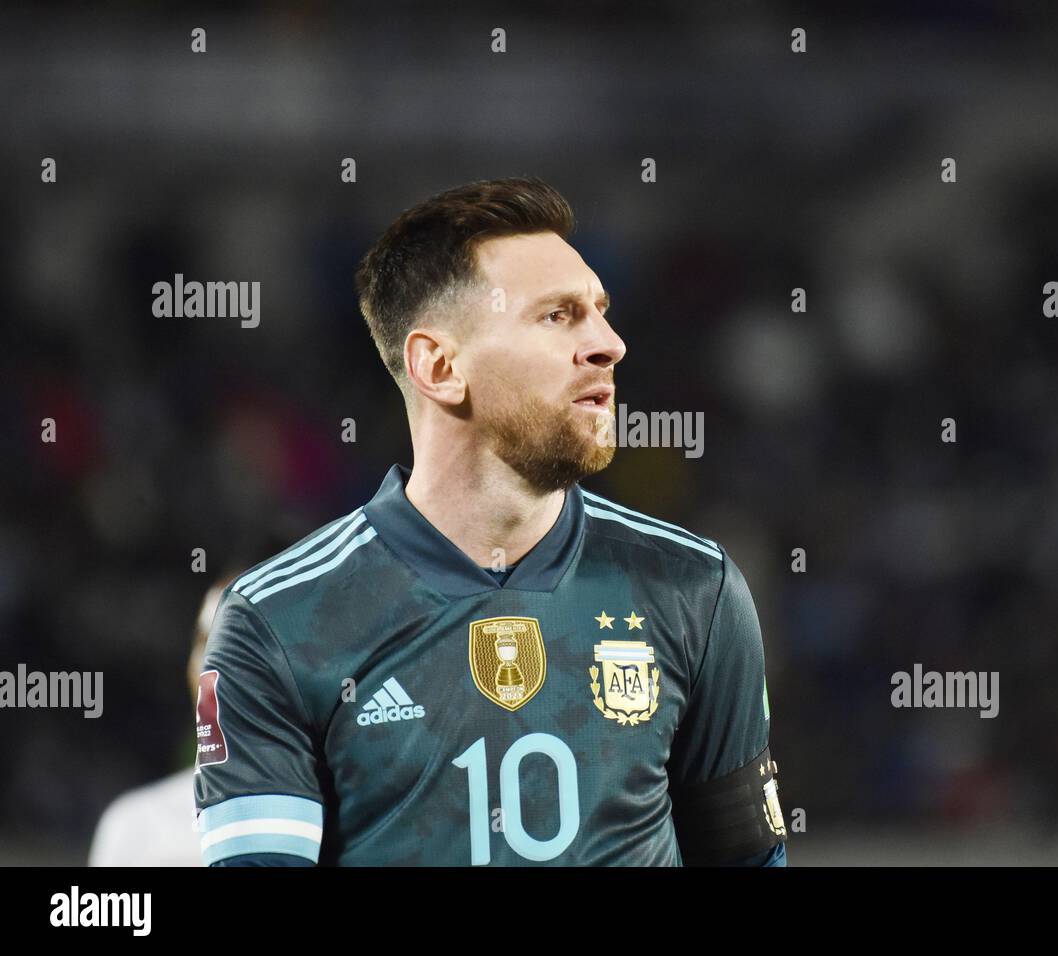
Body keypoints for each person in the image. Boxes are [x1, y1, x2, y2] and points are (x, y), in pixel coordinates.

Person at [194, 177, 787, 866]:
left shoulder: (694, 590)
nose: (609, 344)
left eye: (601, 311)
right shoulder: (279, 621)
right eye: (559, 316)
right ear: (440, 367)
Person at [89, 579, 228, 866]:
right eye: (206, 641)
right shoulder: (135, 828)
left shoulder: (340, 825)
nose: (216, 667)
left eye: (245, 643)